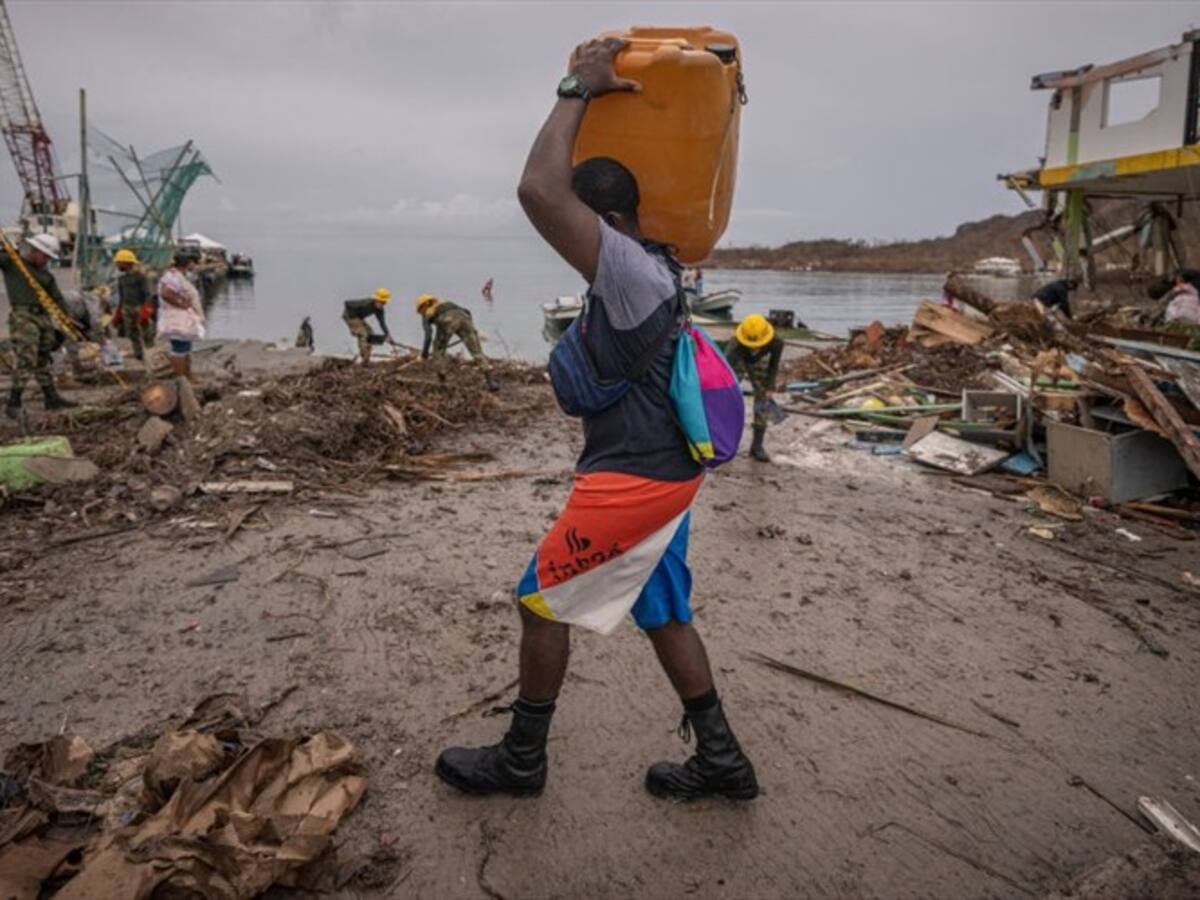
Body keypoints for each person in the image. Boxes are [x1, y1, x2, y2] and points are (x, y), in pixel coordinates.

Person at [435, 36, 757, 802]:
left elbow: (538, 192)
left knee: (539, 602)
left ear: (606, 217)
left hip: (633, 481)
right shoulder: (654, 266)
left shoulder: (625, 265)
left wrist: (577, 86)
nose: (570, 237)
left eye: (586, 220)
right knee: (664, 609)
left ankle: (521, 760)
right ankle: (722, 762)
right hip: (665, 473)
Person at [2, 233, 78, 420]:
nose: (47, 261)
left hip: (42, 317)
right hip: (23, 317)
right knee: (27, 358)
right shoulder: (13, 263)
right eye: (45, 256)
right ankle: (14, 402)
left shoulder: (45, 275)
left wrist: (67, 317)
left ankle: (51, 397)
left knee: (42, 358)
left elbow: (57, 298)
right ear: (35, 251)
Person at [724, 313, 783, 463]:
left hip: (758, 362)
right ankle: (726, 442)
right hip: (738, 360)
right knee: (728, 398)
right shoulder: (736, 343)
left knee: (763, 399)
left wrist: (770, 386)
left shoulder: (776, 342)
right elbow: (725, 366)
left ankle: (757, 446)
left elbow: (773, 366)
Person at [416, 293, 499, 391]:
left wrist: (424, 354)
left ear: (423, 307)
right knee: (477, 351)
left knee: (438, 351)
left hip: (447, 321)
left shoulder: (427, 313)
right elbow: (467, 312)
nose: (421, 313)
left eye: (420, 311)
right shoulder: (447, 304)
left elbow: (428, 336)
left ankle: (442, 382)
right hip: (465, 319)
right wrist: (469, 332)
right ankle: (491, 382)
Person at [157, 252, 206, 380]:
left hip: (183, 318)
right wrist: (181, 303)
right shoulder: (172, 277)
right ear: (187, 264)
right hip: (176, 318)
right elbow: (166, 293)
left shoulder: (178, 276)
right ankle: (180, 379)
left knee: (186, 347)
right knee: (179, 348)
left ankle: (188, 376)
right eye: (191, 263)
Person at [113, 248, 153, 361]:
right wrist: (119, 312)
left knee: (146, 334)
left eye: (118, 262)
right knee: (132, 333)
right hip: (127, 308)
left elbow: (148, 294)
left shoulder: (140, 277)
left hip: (139, 308)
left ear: (126, 262)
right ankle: (139, 354)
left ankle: (151, 355)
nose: (117, 264)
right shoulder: (122, 279)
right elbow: (122, 296)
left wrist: (146, 309)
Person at [342, 288, 394, 363]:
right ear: (376, 299)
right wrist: (354, 317)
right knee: (363, 333)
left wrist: (388, 335)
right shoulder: (366, 302)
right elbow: (347, 303)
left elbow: (382, 323)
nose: (382, 305)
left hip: (359, 318)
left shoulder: (380, 310)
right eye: (381, 302)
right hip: (350, 316)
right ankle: (364, 357)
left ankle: (367, 356)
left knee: (370, 332)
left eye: (384, 303)